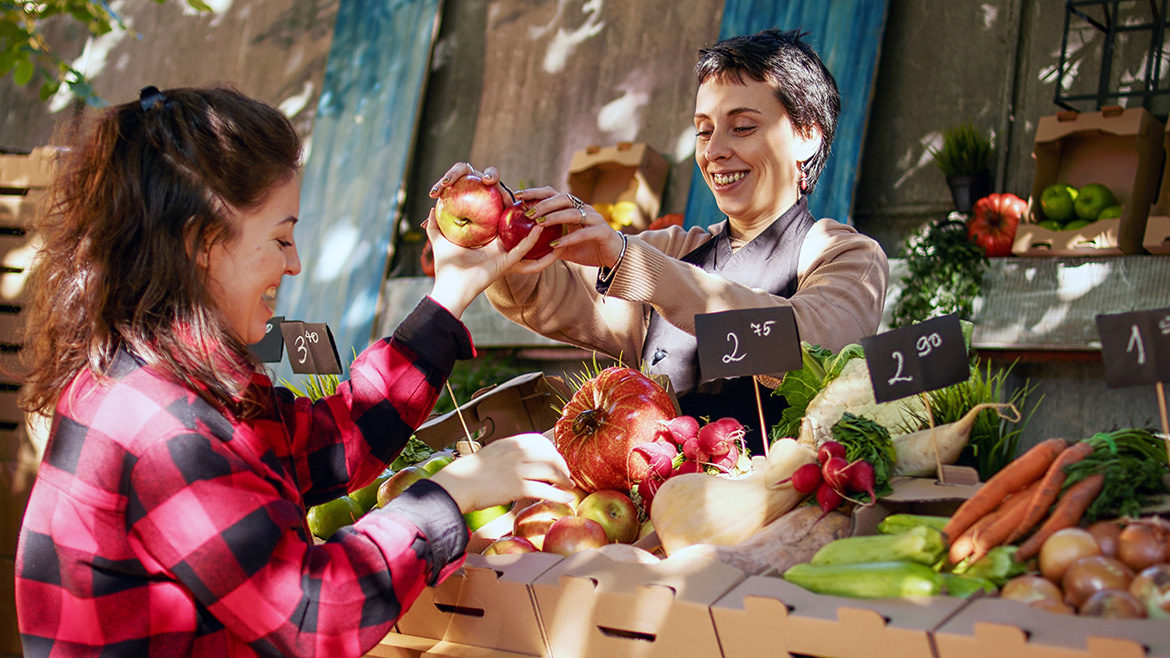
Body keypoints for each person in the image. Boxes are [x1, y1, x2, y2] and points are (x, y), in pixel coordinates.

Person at [14, 85, 574, 658]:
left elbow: (333, 444)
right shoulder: (167, 432)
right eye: (281, 237)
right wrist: (452, 494)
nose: (295, 262)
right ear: (201, 243)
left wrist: (450, 295)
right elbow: (313, 614)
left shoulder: (172, 376)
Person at [432, 28, 889, 456]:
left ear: (807, 134)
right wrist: (499, 231)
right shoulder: (677, 248)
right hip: (653, 518)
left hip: (770, 513)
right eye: (704, 130)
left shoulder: (841, 254)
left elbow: (813, 348)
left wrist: (641, 268)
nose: (714, 151)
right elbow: (553, 296)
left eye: (743, 127)